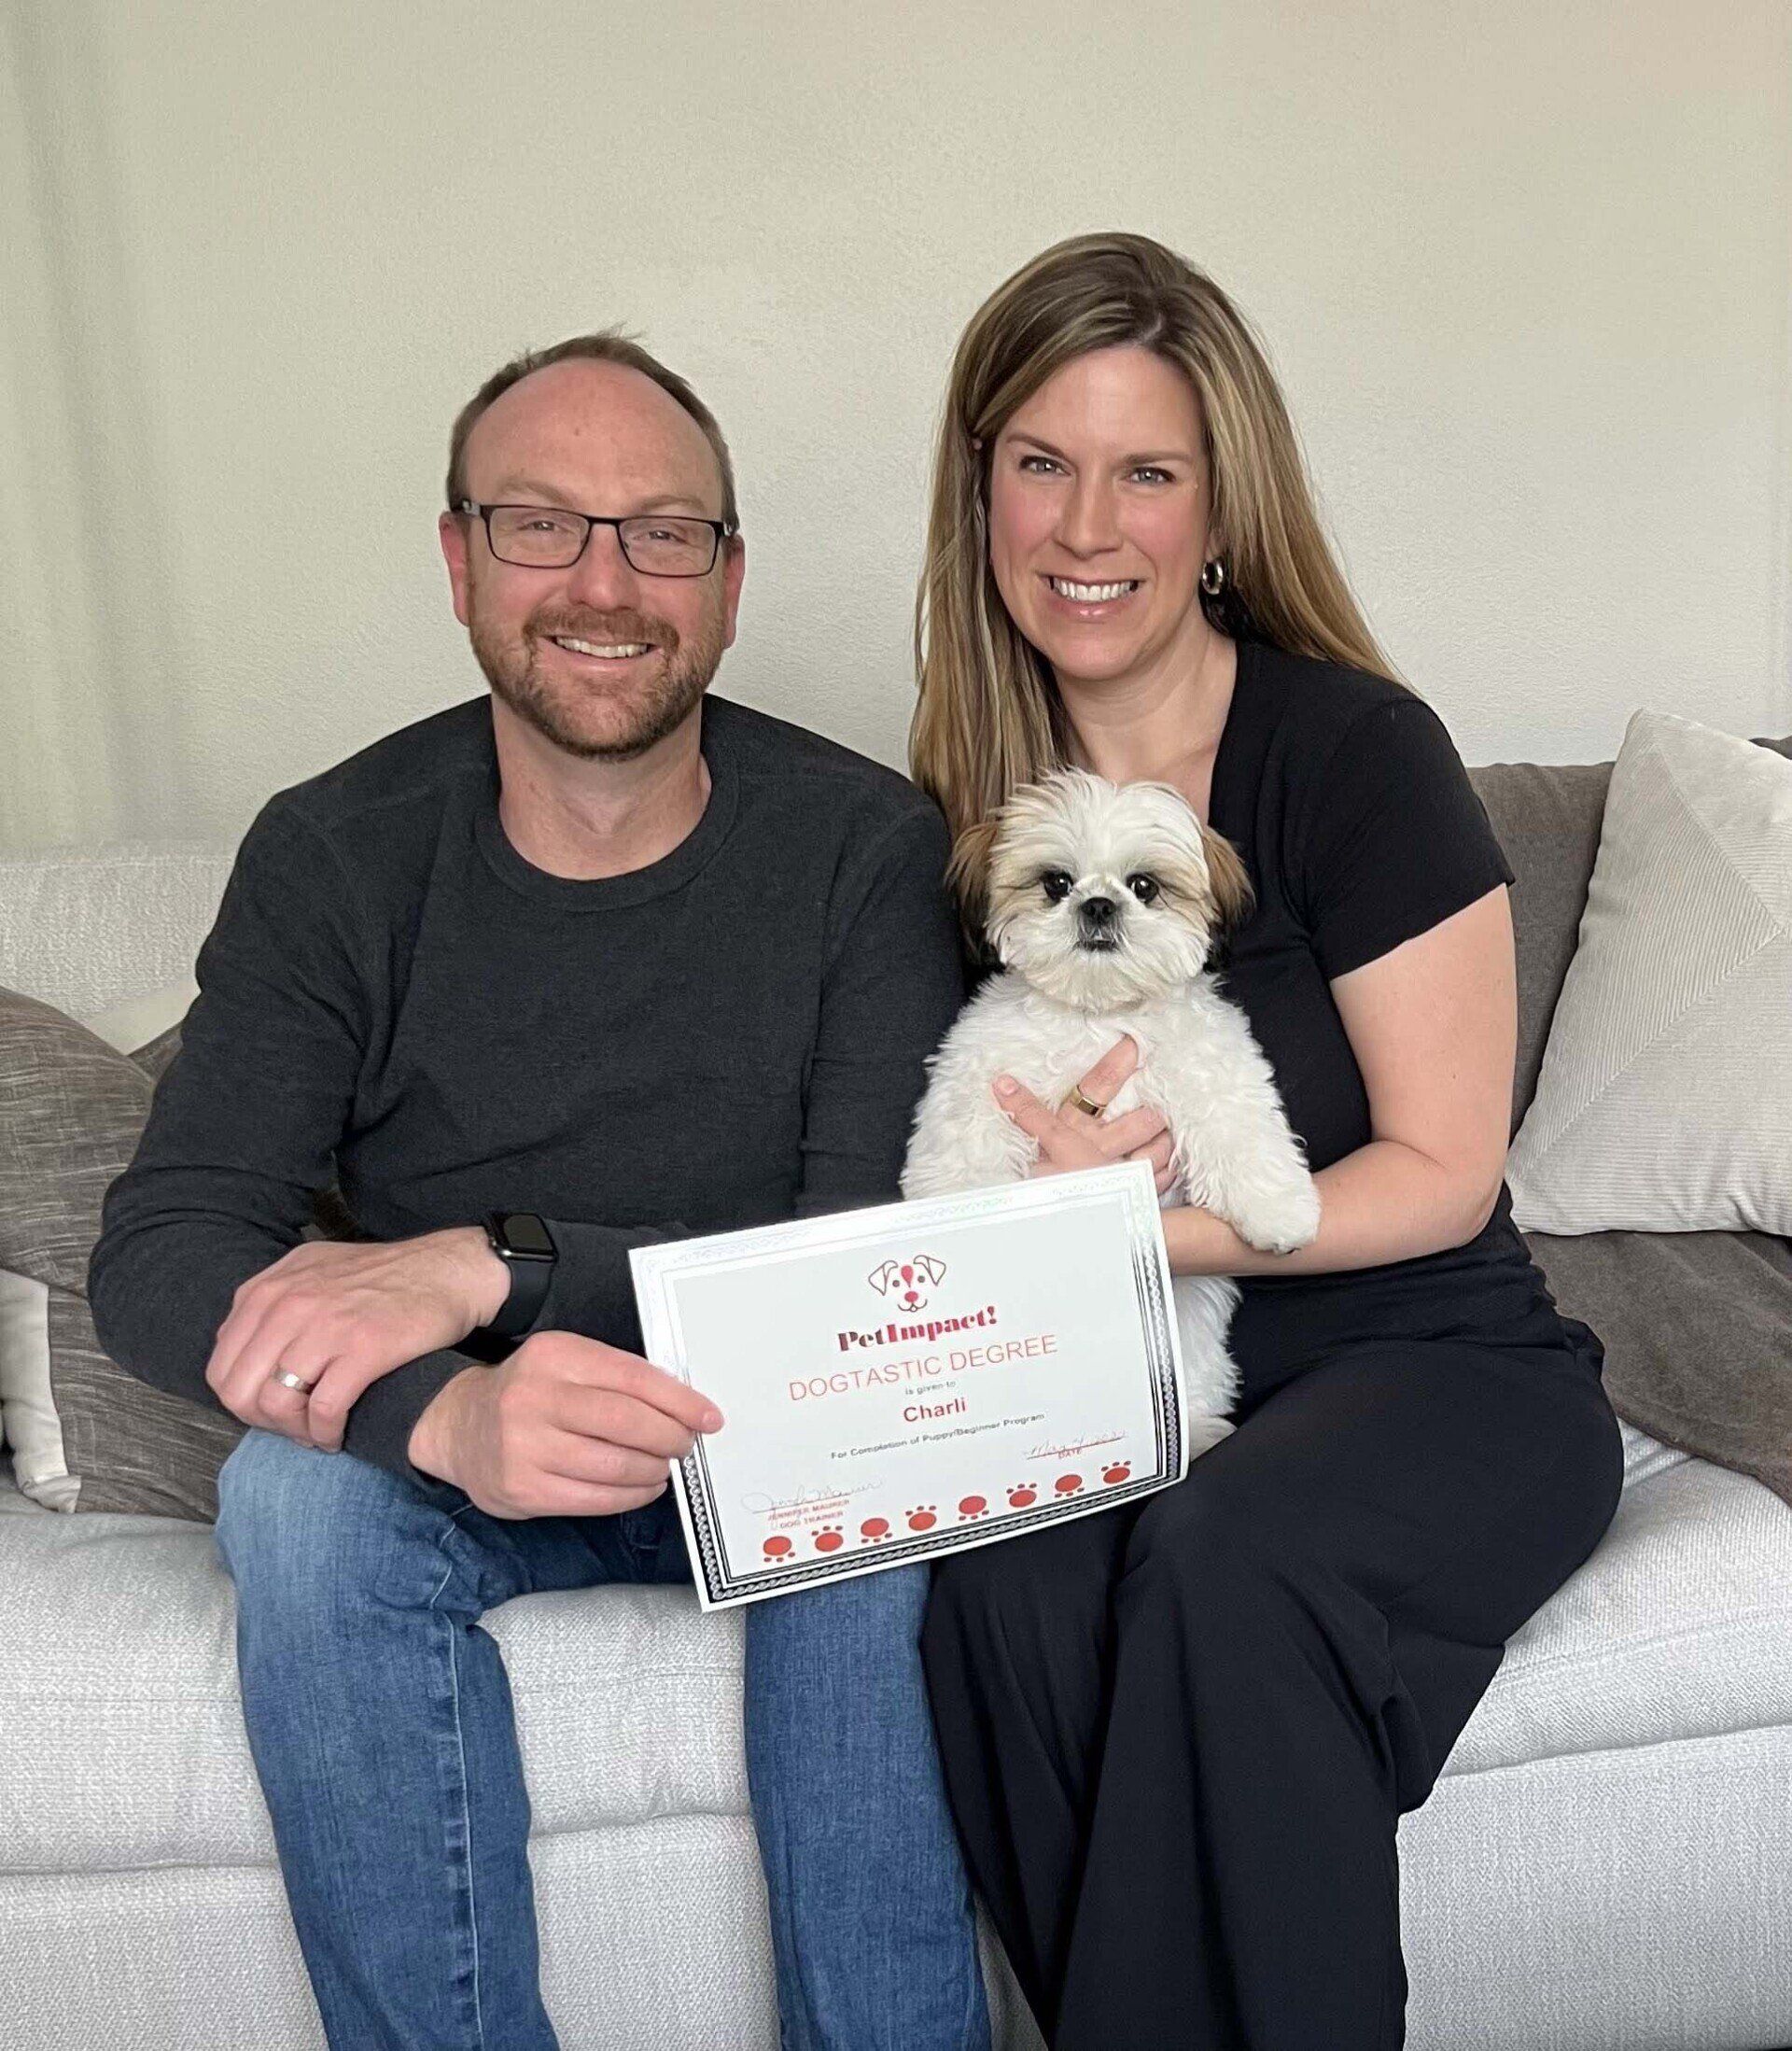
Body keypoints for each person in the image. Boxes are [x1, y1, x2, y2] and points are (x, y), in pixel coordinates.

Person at [89, 331, 997, 2051]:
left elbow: (859, 1279)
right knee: (296, 1509)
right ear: (457, 562)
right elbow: (165, 1245)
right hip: (484, 1448)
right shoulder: (336, 853)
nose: (604, 583)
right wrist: (438, 1412)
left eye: (662, 534)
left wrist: (499, 1266)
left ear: (728, 586)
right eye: (539, 526)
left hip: (778, 1419)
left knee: (886, 1519)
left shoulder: (863, 848)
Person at [908, 232, 1624, 2050]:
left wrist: (1141, 1225)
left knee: (1230, 1553)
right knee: (999, 1570)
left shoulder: (1354, 751)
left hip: (1436, 1370)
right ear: (979, 492)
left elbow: (1449, 1167)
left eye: (1147, 470)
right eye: (1043, 464)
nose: (1091, 523)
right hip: (1132, 1382)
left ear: (1219, 509)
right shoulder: (957, 817)